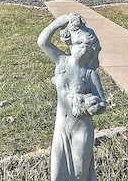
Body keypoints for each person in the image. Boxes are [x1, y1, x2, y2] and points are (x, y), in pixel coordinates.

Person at [37, 12, 106, 181]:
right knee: (58, 172)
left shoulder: (90, 74)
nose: (83, 49)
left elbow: (102, 103)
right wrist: (60, 22)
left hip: (82, 129)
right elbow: (42, 42)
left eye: (88, 47)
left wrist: (93, 104)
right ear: (70, 44)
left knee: (79, 173)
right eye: (79, 43)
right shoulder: (61, 62)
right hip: (61, 128)